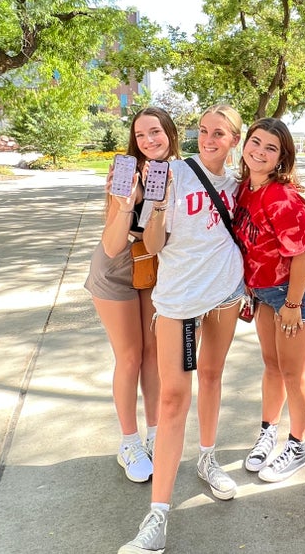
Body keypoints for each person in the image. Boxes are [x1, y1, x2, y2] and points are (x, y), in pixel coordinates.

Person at [119, 104, 245, 554]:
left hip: (227, 294)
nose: (210, 139)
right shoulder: (172, 172)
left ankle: (207, 459)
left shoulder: (239, 185)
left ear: (234, 139)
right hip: (178, 302)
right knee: (174, 398)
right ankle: (157, 518)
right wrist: (150, 208)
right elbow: (152, 245)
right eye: (204, 130)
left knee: (212, 377)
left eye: (220, 133)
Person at [233, 117, 305, 483]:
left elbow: (302, 255)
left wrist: (292, 305)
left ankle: (298, 445)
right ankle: (268, 431)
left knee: (293, 370)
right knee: (271, 363)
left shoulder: (283, 199)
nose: (259, 151)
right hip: (265, 291)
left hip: (298, 290)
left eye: (270, 148)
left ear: (281, 158)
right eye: (255, 142)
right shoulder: (246, 188)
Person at [85, 107, 181, 484]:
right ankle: (128, 441)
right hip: (117, 272)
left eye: (155, 132)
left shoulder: (181, 173)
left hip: (155, 270)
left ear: (170, 133)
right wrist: (125, 205)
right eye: (140, 136)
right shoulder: (125, 177)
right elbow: (110, 246)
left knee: (154, 354)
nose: (148, 141)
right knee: (129, 356)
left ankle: (156, 432)